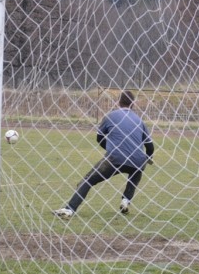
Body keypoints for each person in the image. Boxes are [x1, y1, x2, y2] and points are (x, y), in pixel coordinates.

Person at [54, 90, 154, 219]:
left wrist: (110, 148)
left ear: (119, 102)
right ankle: (126, 200)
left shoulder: (111, 116)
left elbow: (99, 137)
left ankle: (69, 209)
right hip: (138, 160)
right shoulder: (140, 121)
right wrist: (148, 157)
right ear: (133, 104)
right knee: (136, 172)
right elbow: (150, 147)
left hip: (115, 158)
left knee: (88, 180)